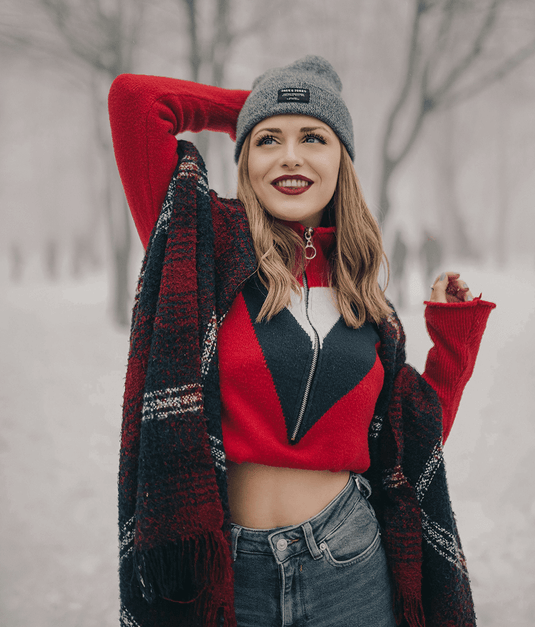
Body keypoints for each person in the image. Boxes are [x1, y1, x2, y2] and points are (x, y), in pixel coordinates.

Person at [109, 56, 495, 627]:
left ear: (343, 159)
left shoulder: (367, 301)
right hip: (225, 568)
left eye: (315, 138)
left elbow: (412, 440)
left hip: (351, 564)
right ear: (246, 160)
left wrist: (453, 340)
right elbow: (135, 100)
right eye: (269, 141)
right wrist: (261, 105)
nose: (290, 156)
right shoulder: (202, 251)